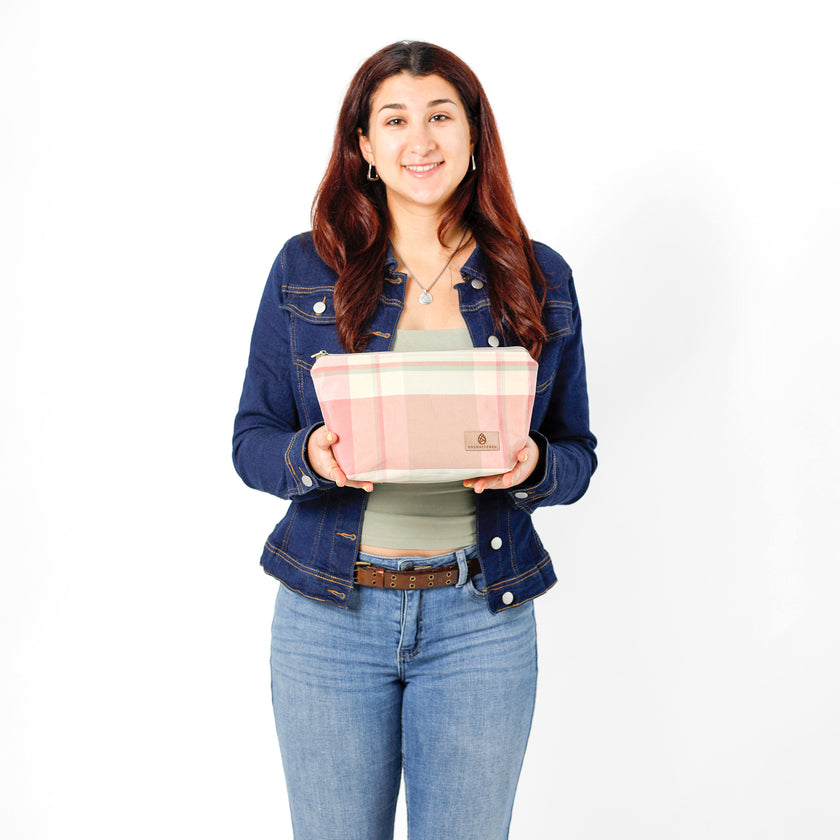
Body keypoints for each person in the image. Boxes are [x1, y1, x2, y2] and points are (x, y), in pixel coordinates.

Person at [233, 40, 597, 840]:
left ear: (474, 137)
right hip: (330, 614)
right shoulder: (307, 268)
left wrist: (534, 465)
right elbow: (252, 438)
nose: (419, 140)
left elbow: (576, 454)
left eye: (441, 116)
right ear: (364, 146)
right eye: (394, 120)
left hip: (481, 619)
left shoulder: (535, 277)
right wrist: (310, 457)